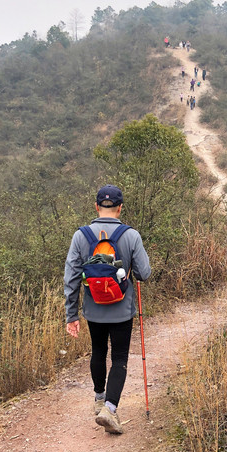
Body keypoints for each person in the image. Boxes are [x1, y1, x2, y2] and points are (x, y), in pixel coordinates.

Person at [64, 185, 151, 435]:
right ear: (120, 207)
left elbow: (71, 278)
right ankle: (110, 409)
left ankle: (99, 399)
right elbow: (144, 274)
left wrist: (72, 315)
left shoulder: (80, 236)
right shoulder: (131, 235)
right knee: (120, 358)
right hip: (122, 310)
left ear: (96, 207)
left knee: (98, 351)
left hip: (94, 309)